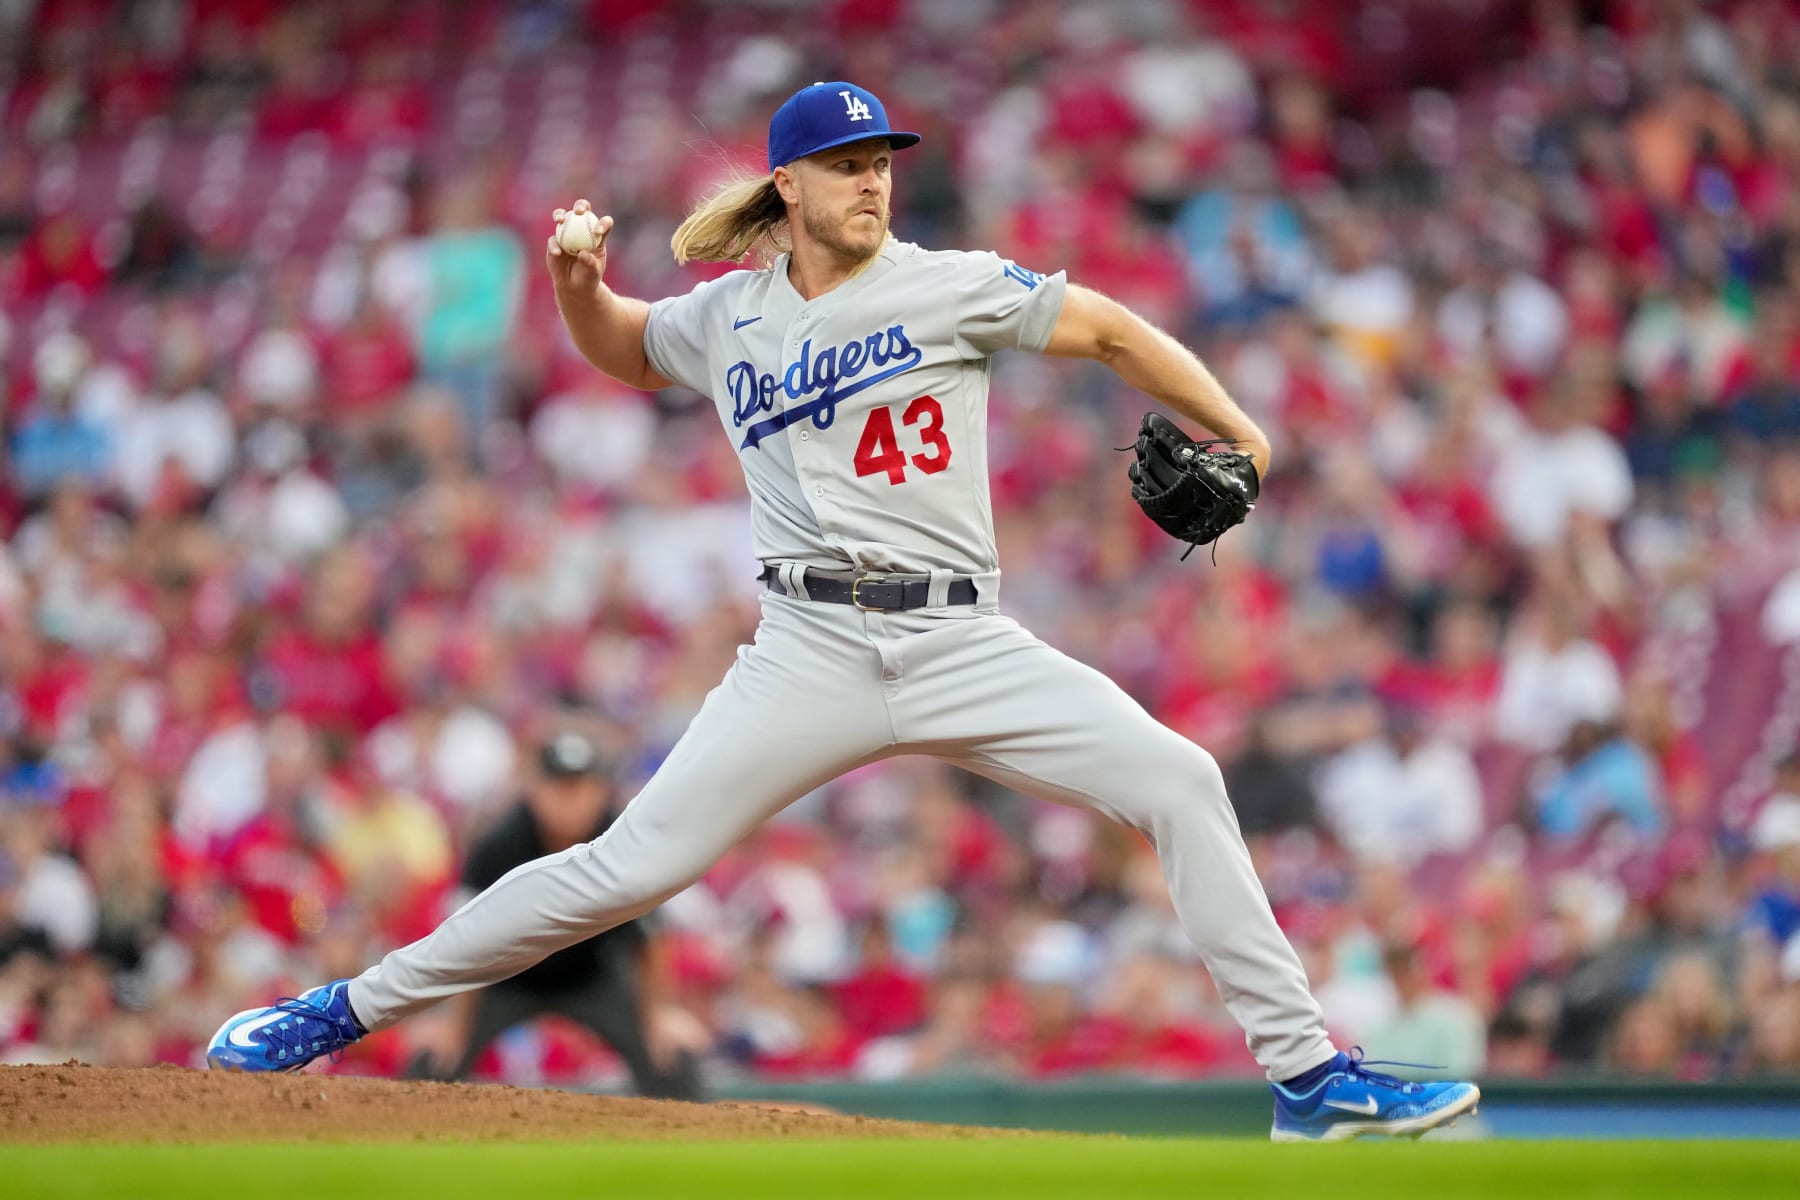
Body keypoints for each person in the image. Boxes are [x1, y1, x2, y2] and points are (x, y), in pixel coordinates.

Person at [208, 80, 1479, 1141]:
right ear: (790, 188)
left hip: (961, 637)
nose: (874, 180)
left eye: (882, 160)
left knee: (1182, 778)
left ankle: (1308, 1078)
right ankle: (339, 1013)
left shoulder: (951, 283)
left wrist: (1240, 428)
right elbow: (624, 345)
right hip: (806, 650)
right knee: (623, 870)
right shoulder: (728, 318)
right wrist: (575, 286)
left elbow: (1104, 330)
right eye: (847, 162)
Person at [411, 730, 700, 1099]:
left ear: (600, 791)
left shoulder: (624, 844)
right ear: (534, 789)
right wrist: (452, 1023)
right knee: (434, 1060)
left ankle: (680, 1151)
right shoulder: (500, 845)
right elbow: (462, 939)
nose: (570, 800)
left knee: (672, 1057)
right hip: (506, 976)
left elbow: (651, 938)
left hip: (591, 975)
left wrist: (659, 1013)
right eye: (558, 787)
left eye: (581, 787)